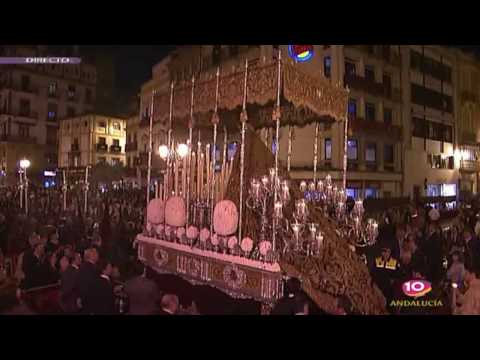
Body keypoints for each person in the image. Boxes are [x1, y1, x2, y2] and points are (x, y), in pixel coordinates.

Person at [77, 247, 100, 314]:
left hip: (85, 300)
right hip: (91, 301)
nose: (98, 255)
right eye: (96, 253)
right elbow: (91, 286)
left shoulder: (83, 267)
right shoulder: (91, 269)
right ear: (92, 256)